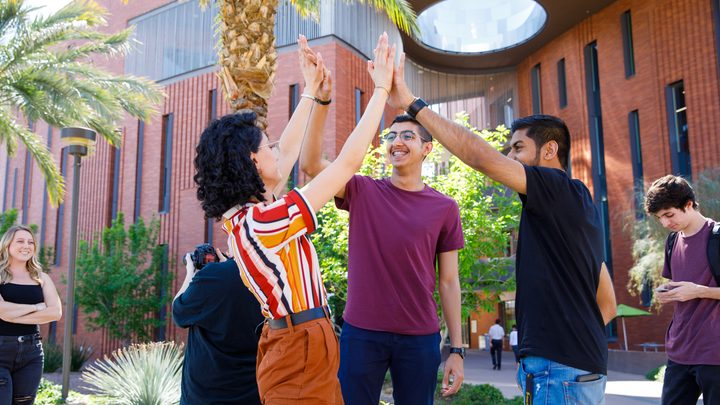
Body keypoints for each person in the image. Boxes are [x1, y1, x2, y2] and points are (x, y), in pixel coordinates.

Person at [384, 53, 617, 405]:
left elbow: (480, 158)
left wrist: (412, 105)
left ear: (550, 149)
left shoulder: (558, 188)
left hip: (561, 372)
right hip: (565, 368)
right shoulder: (571, 212)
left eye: (518, 148)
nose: (510, 157)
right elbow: (608, 303)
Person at [193, 33, 395, 404]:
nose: (275, 150)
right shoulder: (263, 222)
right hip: (298, 342)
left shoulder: (248, 218)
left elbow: (285, 152)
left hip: (301, 339)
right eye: (265, 146)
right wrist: (381, 88)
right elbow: (347, 164)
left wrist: (311, 91)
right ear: (253, 162)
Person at [644, 175, 720, 405]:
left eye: (669, 214)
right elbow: (683, 284)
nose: (665, 223)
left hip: (715, 353)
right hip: (680, 351)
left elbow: (694, 288)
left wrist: (699, 291)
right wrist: (667, 291)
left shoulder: (717, 236)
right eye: (660, 218)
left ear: (688, 204)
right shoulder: (672, 242)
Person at [172, 246, 264, 404]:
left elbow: (178, 312)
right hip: (252, 393)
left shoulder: (214, 275)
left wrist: (190, 273)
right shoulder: (266, 275)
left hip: (205, 396)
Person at [0, 225, 62, 404]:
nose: (26, 245)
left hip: (31, 353)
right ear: (7, 245)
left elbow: (55, 312)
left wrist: (13, 314)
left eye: (30, 242)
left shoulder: (42, 278)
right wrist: (37, 306)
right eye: (20, 241)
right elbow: (2, 311)